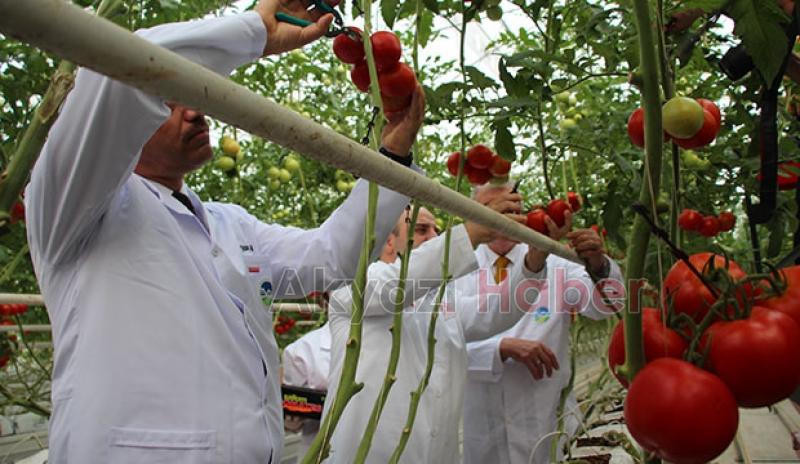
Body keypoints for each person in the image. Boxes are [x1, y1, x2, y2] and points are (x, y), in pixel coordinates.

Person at [24, 1, 426, 462]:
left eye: (195, 95)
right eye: (169, 101)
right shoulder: (71, 209)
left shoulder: (229, 223)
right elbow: (118, 75)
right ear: (122, 128)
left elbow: (330, 257)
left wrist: (392, 156)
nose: (195, 111)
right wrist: (253, 31)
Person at [323, 185, 550, 464]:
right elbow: (396, 287)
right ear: (389, 241)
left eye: (436, 231)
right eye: (421, 229)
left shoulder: (442, 301)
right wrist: (471, 233)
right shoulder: (351, 285)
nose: (434, 236)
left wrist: (534, 260)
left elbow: (495, 311)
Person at [462, 188, 623, 464]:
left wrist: (599, 266)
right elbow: (440, 339)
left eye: (512, 207)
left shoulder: (556, 261)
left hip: (547, 415)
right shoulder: (458, 266)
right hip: (483, 422)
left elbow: (605, 306)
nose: (505, 214)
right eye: (494, 206)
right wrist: (498, 349)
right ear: (471, 213)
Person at [282, 322, 332, 459]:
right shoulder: (302, 350)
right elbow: (292, 423)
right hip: (318, 449)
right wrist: (296, 413)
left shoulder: (382, 343)